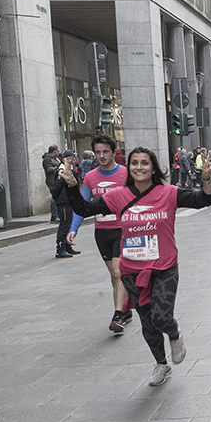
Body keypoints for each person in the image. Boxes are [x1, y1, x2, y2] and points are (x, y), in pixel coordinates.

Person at [64, 147, 211, 386]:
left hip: (164, 266)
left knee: (161, 317)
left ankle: (174, 333)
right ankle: (161, 364)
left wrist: (206, 178)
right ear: (129, 168)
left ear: (153, 168)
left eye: (144, 163)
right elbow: (84, 209)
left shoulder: (169, 193)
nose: (139, 167)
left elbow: (204, 200)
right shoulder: (118, 196)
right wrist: (73, 186)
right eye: (134, 163)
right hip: (132, 270)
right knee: (147, 321)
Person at [70, 135, 134, 332]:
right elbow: (83, 206)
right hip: (102, 232)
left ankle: (118, 316)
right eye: (98, 152)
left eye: (105, 151)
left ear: (114, 152)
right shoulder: (90, 177)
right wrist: (73, 229)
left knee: (118, 271)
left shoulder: (126, 174)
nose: (101, 156)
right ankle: (126, 307)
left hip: (123, 230)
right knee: (114, 275)